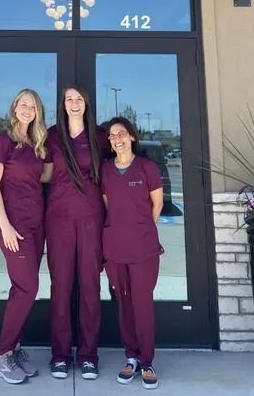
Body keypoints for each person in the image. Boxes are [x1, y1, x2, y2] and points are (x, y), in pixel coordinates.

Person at [43, 85, 108, 380]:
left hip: (92, 218)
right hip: (58, 219)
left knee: (90, 287)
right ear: (63, 104)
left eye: (78, 99)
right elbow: (41, 172)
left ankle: (88, 355)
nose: (74, 103)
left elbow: (120, 165)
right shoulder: (52, 135)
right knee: (61, 286)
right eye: (69, 99)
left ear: (87, 103)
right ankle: (59, 354)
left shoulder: (100, 136)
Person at [0, 88, 49, 384]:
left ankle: (14, 349)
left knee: (20, 288)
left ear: (37, 113)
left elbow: (44, 177)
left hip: (36, 226)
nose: (27, 109)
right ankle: (2, 355)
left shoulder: (36, 144)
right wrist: (6, 226)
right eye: (23, 104)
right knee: (28, 287)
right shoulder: (2, 142)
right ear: (14, 108)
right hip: (15, 227)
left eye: (33, 106)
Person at [101, 117, 164, 390]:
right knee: (124, 305)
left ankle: (147, 361)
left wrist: (140, 230)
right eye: (113, 135)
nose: (117, 139)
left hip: (143, 249)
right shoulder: (105, 171)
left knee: (142, 303)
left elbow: (157, 206)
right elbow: (108, 206)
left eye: (122, 133)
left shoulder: (147, 168)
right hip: (115, 249)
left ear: (132, 137)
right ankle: (131, 357)